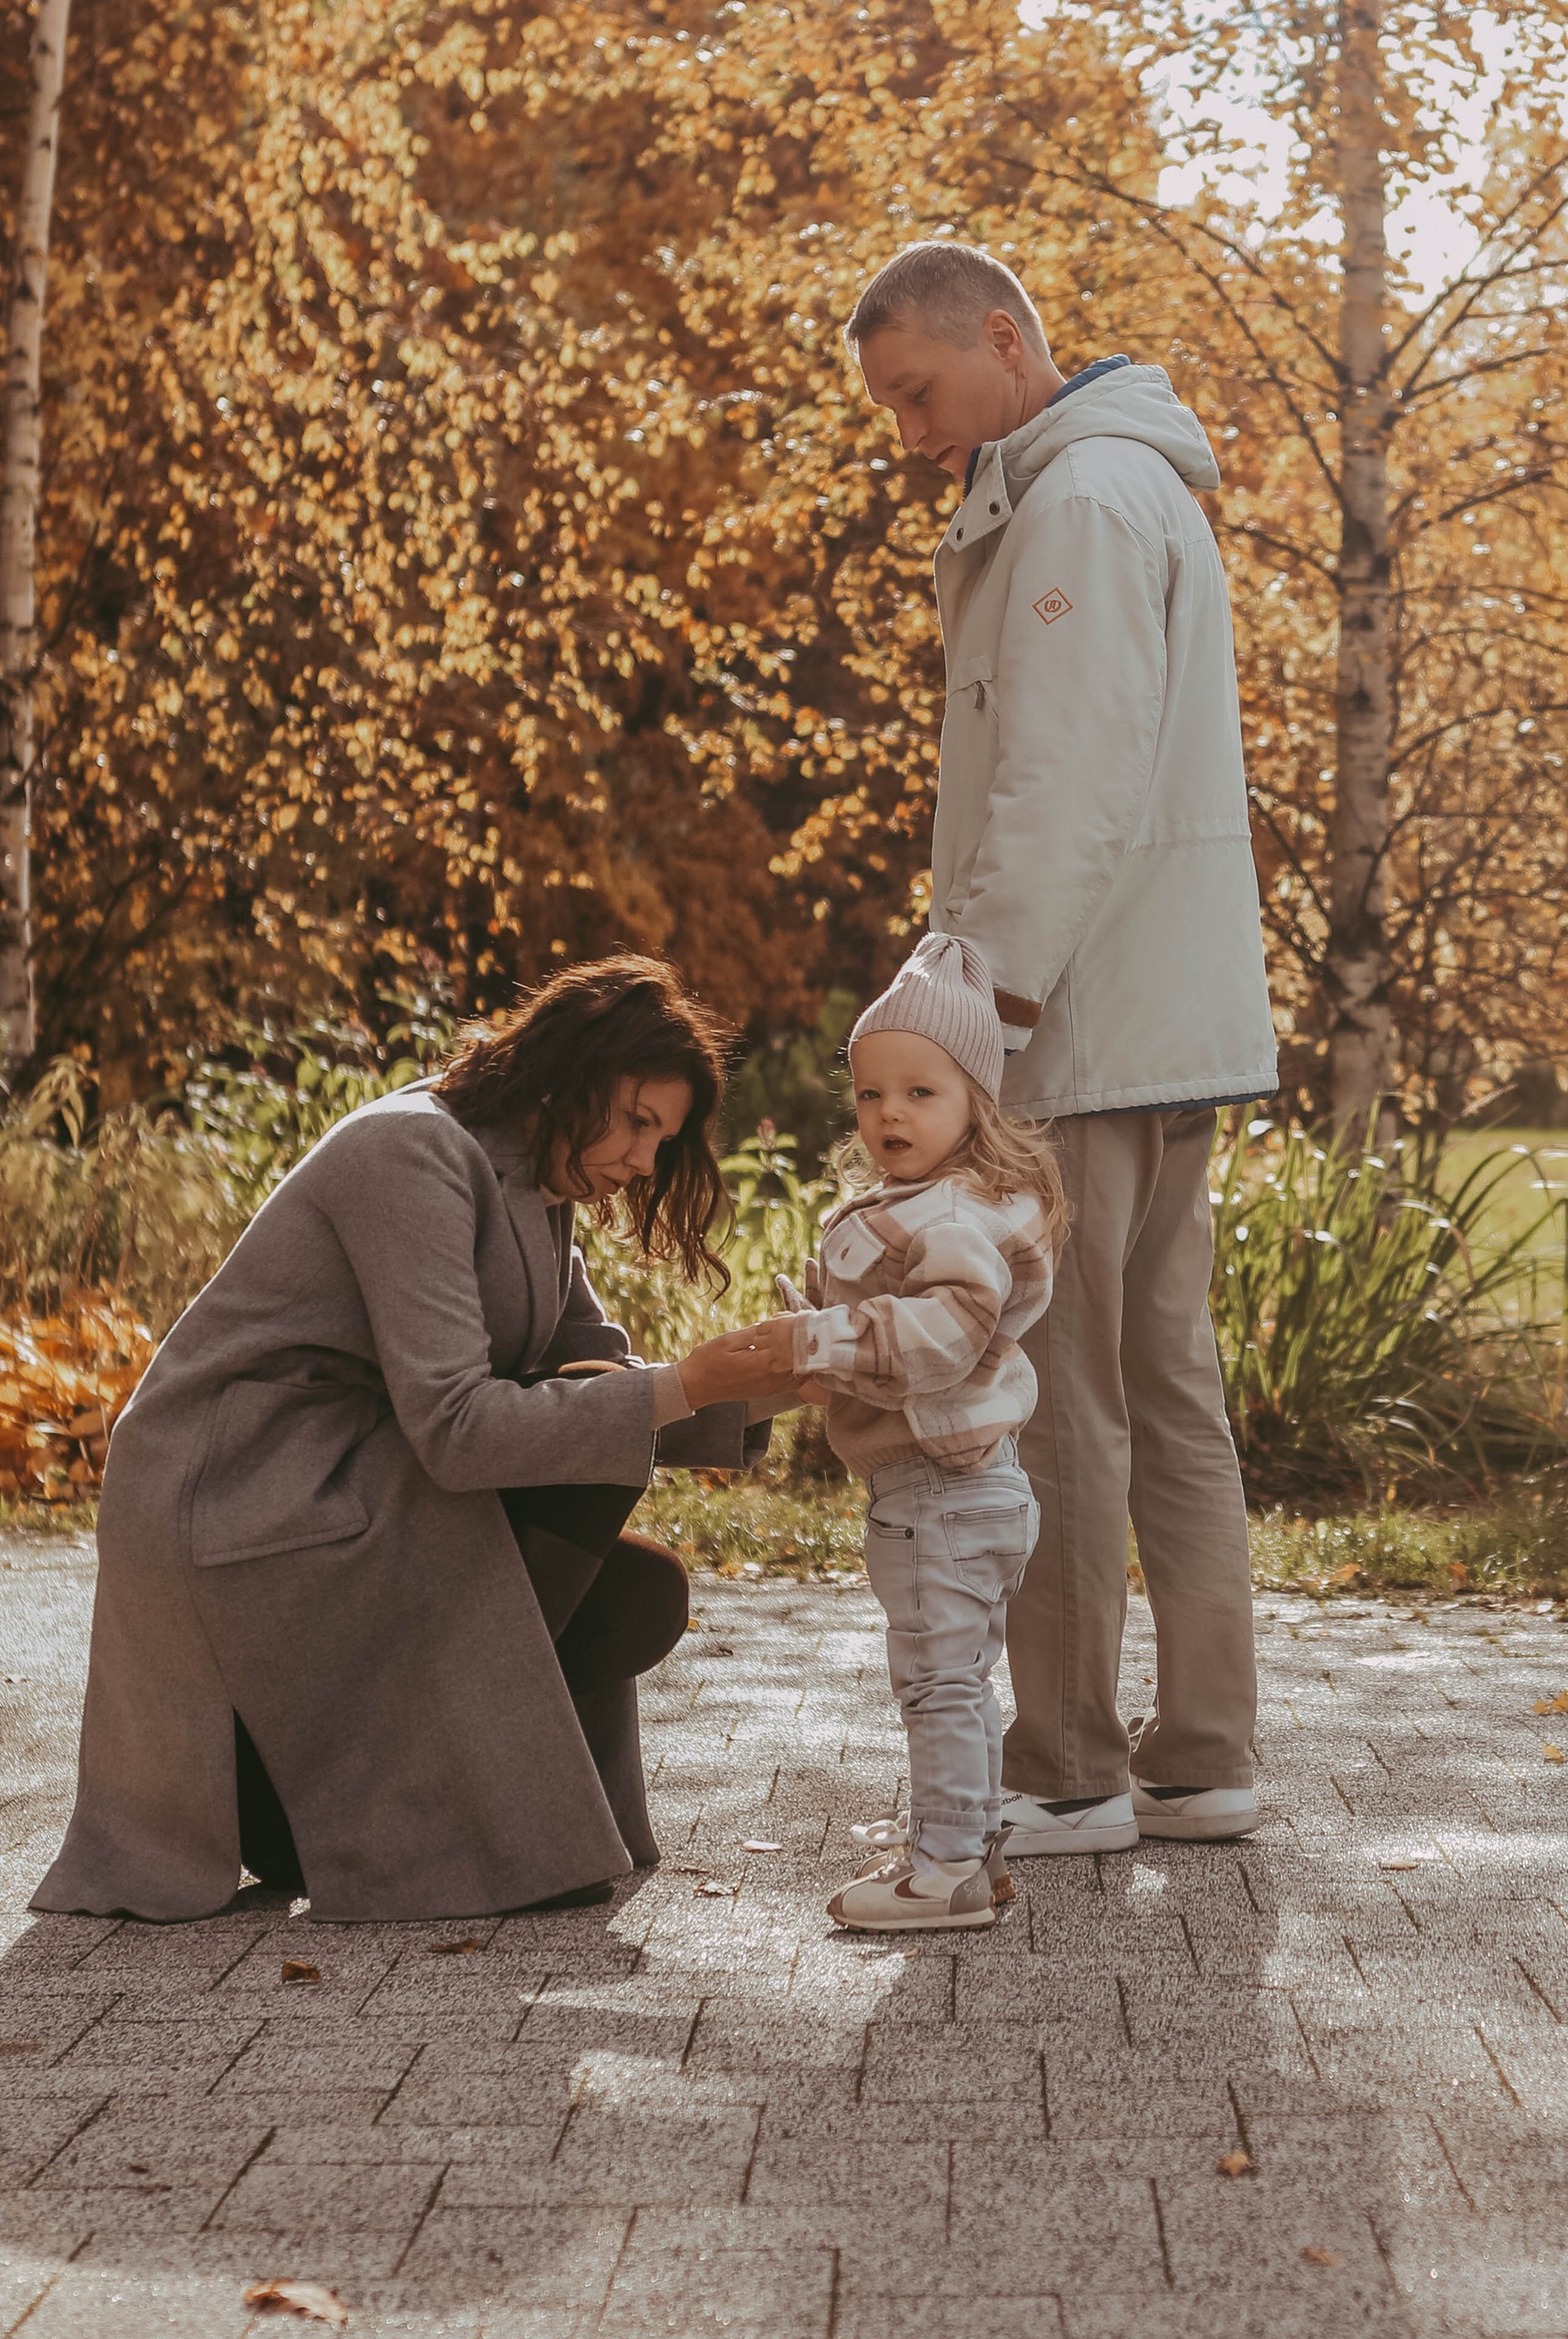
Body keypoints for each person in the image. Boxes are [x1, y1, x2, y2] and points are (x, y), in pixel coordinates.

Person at [33, 957, 787, 1925]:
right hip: (238, 1483)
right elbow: (461, 1432)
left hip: (347, 1471)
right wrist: (687, 1384)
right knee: (598, 1481)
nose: (646, 1161)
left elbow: (602, 1369)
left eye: (663, 1138)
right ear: (571, 1071)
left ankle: (386, 1803)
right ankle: (371, 1814)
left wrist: (770, 1389)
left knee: (639, 1593)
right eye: (639, 1120)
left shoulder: (537, 1179)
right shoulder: (411, 1152)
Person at [846, 239, 1279, 1855]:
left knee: (1068, 1397)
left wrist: (977, 1016)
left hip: (1087, 1030)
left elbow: (1066, 789)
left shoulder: (1082, 503)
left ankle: (1070, 1765)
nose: (907, 433)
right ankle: (1208, 1753)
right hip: (1164, 1028)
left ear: (1006, 340)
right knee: (1170, 1390)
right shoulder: (1125, 485)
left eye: (918, 391)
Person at [730, 931, 1062, 1932]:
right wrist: (822, 1331)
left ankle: (945, 1872)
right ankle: (977, 1851)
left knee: (936, 1688)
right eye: (871, 1094)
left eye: (920, 1092)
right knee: (958, 1683)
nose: (888, 1115)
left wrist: (823, 1338)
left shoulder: (952, 1215)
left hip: (941, 1496)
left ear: (974, 1099)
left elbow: (948, 1332)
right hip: (971, 1492)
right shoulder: (935, 1202)